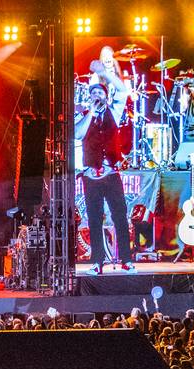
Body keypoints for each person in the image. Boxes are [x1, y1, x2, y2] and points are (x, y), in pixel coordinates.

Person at [75, 65, 133, 275]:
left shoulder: (114, 112)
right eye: (93, 92)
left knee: (119, 216)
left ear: (106, 96)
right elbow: (79, 134)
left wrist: (105, 73)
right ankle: (98, 262)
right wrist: (90, 110)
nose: (96, 95)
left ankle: (126, 260)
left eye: (99, 92)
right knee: (94, 218)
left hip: (111, 173)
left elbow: (123, 90)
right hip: (91, 175)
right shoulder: (84, 115)